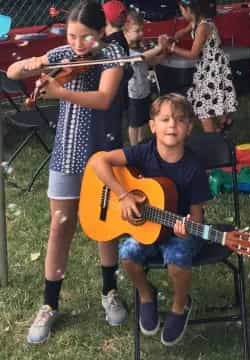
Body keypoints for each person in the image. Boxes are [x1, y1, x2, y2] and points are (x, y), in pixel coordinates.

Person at [7, 0, 128, 344]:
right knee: (60, 227)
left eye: (85, 37)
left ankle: (109, 291)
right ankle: (49, 304)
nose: (76, 45)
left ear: (102, 32)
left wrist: (60, 92)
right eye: (71, 36)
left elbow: (104, 99)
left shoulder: (112, 58)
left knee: (106, 226)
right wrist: (29, 64)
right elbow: (16, 73)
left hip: (103, 155)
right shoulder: (63, 52)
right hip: (66, 152)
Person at [91, 93, 211, 344]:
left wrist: (188, 228)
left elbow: (197, 214)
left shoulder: (193, 168)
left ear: (189, 128)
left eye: (179, 120)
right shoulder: (143, 152)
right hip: (147, 230)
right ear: (152, 125)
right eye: (165, 119)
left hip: (179, 231)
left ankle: (180, 305)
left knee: (177, 259)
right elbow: (99, 162)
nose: (172, 125)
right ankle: (146, 295)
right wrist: (122, 194)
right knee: (127, 254)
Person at [159, 0, 238, 133]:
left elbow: (193, 54)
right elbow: (183, 31)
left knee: (202, 106)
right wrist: (174, 37)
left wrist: (171, 47)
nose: (182, 14)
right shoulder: (196, 22)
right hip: (208, 67)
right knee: (212, 97)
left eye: (182, 11)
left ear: (189, 10)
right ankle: (224, 122)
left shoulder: (203, 27)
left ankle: (211, 139)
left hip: (212, 69)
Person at [123, 10, 168, 145]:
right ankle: (133, 146)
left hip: (145, 91)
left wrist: (163, 54)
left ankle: (141, 143)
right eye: (137, 31)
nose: (141, 34)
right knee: (134, 123)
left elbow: (149, 61)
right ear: (125, 33)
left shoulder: (140, 48)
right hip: (133, 94)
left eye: (142, 30)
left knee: (143, 120)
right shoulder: (127, 50)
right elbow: (141, 58)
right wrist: (159, 47)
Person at [101, 0, 130, 150]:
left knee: (111, 133)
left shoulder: (115, 41)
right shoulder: (113, 39)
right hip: (115, 94)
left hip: (113, 94)